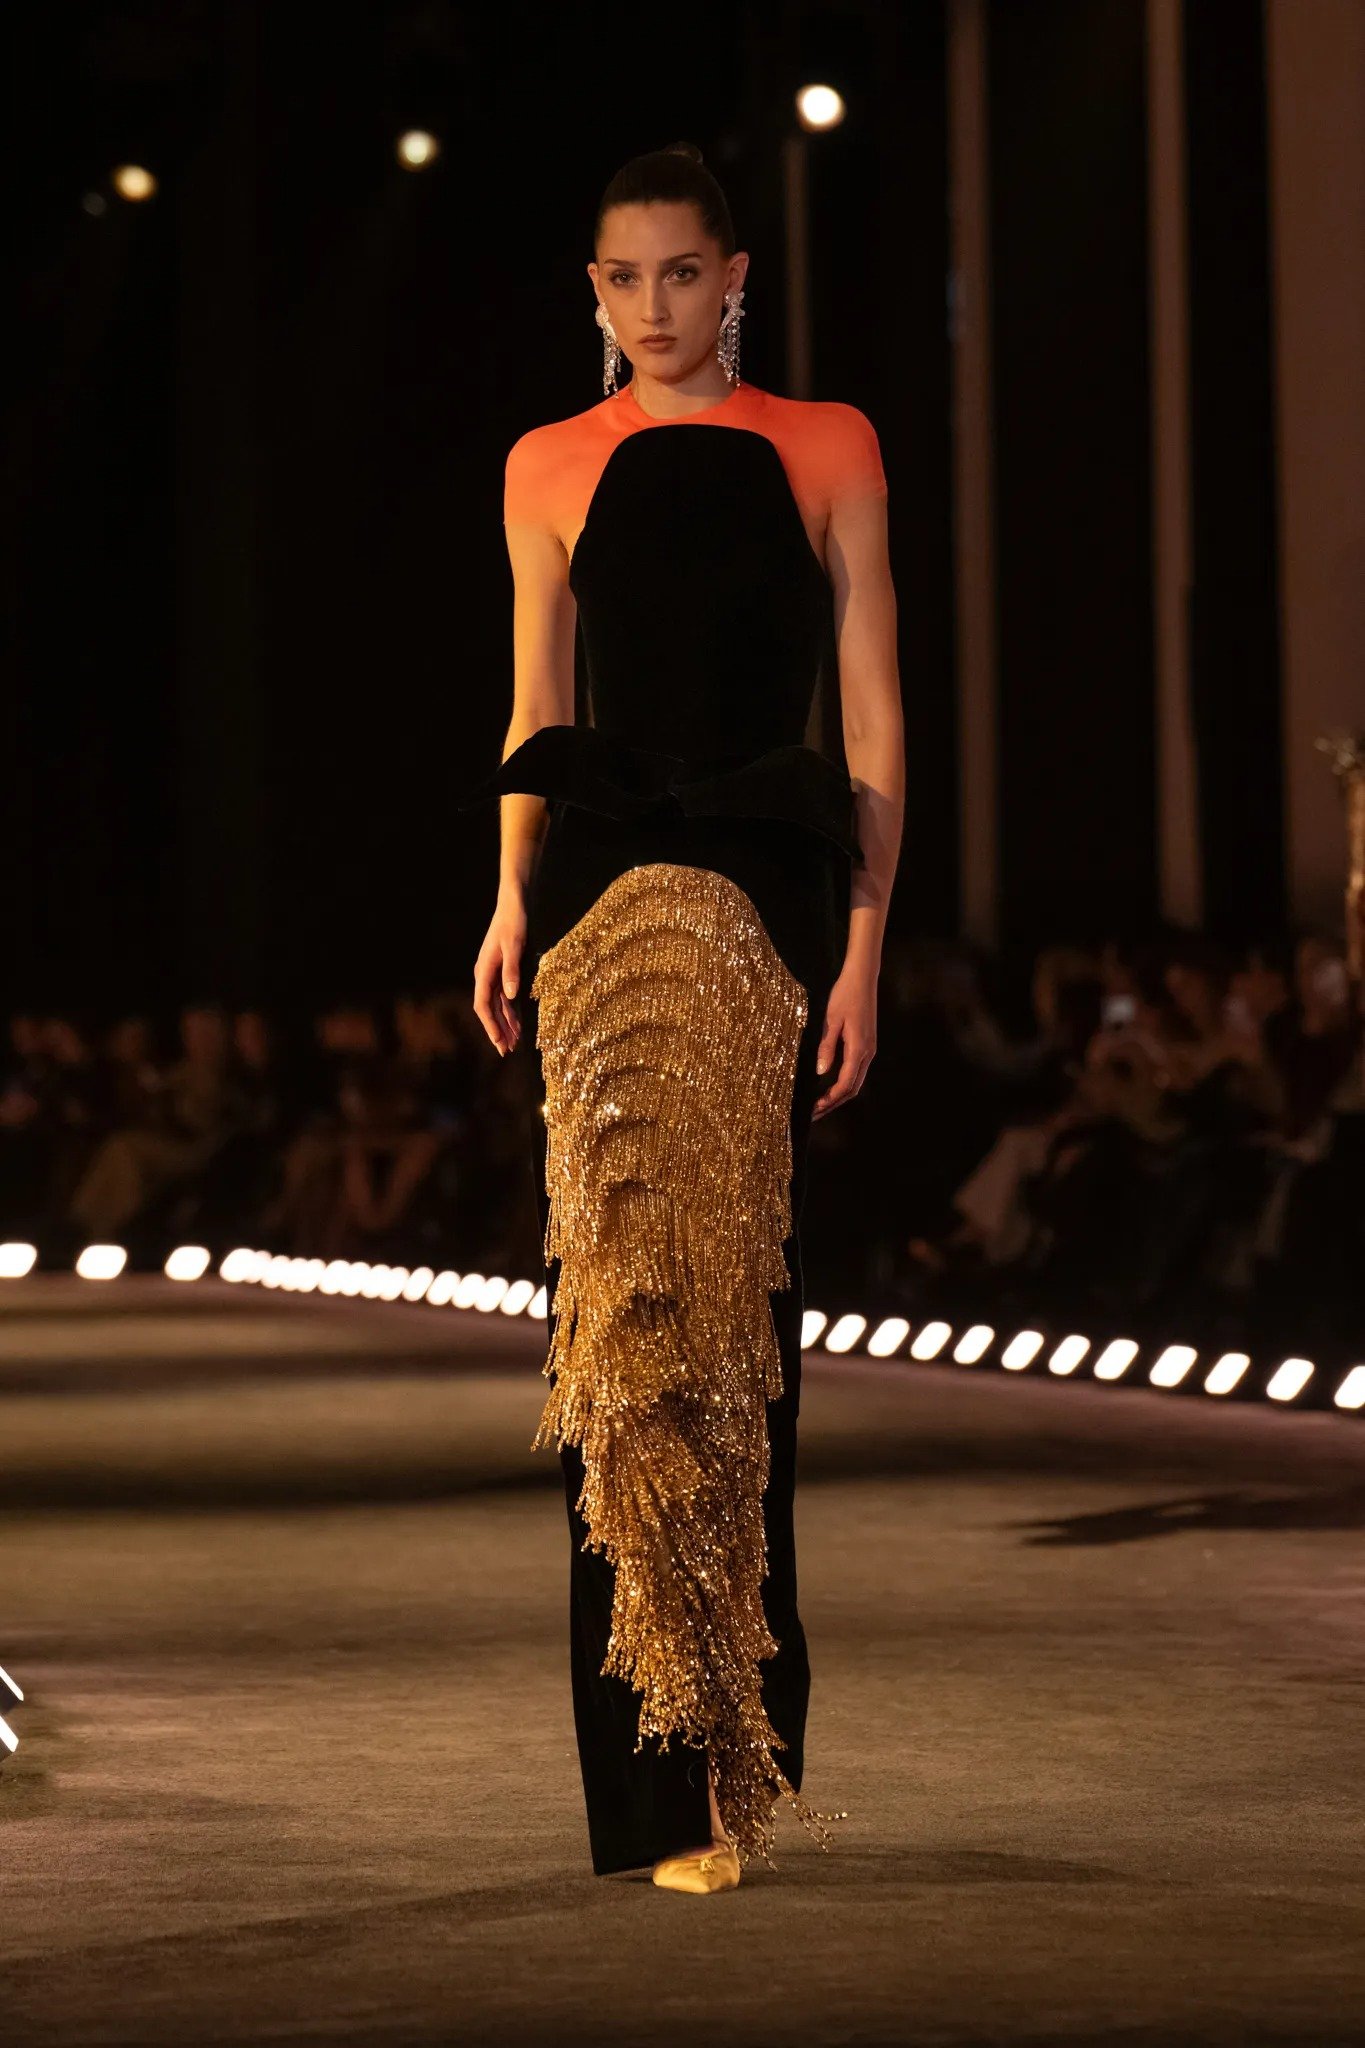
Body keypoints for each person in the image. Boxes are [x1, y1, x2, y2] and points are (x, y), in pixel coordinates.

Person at [460, 142, 904, 1892]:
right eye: (622, 277)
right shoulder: (544, 462)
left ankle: (734, 1759)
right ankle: (648, 1786)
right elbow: (534, 699)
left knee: (733, 1331)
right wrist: (507, 898)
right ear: (593, 292)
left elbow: (870, 711)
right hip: (591, 902)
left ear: (734, 277)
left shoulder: (829, 442)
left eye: (681, 272)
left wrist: (865, 945)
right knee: (615, 1337)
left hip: (762, 893)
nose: (654, 304)